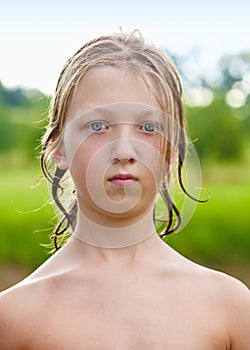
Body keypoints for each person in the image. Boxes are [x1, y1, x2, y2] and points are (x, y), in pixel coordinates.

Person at [0, 30, 249, 349]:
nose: (124, 151)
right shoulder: (14, 317)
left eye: (149, 127)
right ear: (59, 147)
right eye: (98, 126)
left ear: (171, 150)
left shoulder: (231, 308)